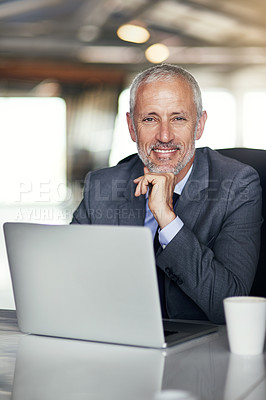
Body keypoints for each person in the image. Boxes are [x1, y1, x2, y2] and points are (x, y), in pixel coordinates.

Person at [71, 63, 262, 324]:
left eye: (178, 118)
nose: (164, 135)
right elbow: (71, 281)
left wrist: (167, 219)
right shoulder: (101, 185)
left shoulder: (238, 185)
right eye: (150, 118)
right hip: (116, 341)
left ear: (199, 125)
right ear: (131, 127)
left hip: (200, 353)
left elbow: (227, 305)